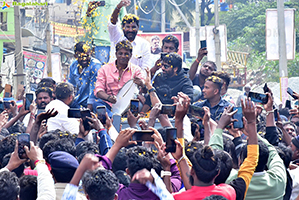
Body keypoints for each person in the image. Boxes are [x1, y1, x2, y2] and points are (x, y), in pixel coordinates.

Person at [94, 40, 145, 116]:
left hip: (128, 106)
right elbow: (98, 91)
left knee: (137, 104)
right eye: (120, 53)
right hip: (109, 104)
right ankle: (113, 118)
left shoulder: (136, 70)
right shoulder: (104, 69)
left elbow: (144, 87)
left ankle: (114, 119)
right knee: (97, 104)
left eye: (126, 54)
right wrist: (109, 98)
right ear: (116, 54)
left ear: (131, 55)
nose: (123, 56)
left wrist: (142, 84)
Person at [108, 0, 151, 71]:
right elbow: (112, 24)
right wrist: (118, 7)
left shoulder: (144, 44)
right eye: (127, 27)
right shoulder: (116, 37)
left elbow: (145, 68)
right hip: (114, 78)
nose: (130, 30)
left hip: (135, 79)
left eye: (133, 27)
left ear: (138, 27)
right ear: (122, 27)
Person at [68, 42, 101, 110]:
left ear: (90, 53)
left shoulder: (95, 66)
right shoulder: (73, 66)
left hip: (93, 103)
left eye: (87, 56)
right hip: (77, 102)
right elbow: (71, 86)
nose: (84, 59)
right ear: (75, 56)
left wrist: (88, 112)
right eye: (81, 56)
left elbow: (93, 91)